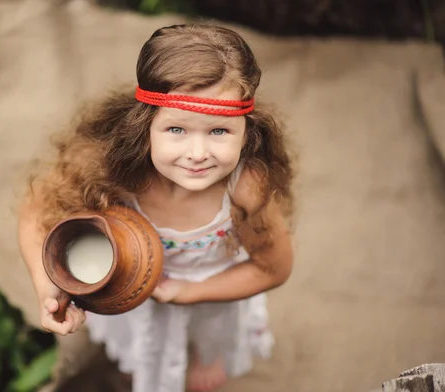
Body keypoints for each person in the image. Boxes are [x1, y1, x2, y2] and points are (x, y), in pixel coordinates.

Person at [18, 24, 294, 392]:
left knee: (208, 335)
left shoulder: (244, 189)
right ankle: (144, 358)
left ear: (248, 130)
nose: (197, 154)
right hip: (129, 291)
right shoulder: (107, 166)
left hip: (211, 295)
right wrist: (45, 285)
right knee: (140, 345)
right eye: (176, 130)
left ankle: (204, 356)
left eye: (219, 132)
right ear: (145, 123)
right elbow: (35, 212)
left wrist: (187, 292)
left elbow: (273, 267)